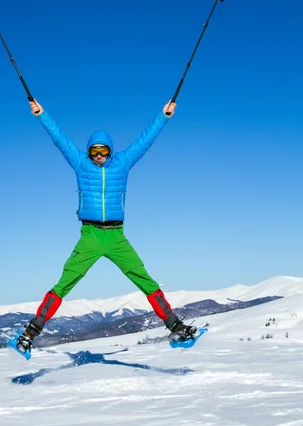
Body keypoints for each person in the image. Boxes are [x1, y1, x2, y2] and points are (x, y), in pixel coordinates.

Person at [15, 98, 198, 354]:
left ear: (110, 151)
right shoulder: (80, 164)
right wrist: (41, 114)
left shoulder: (122, 163)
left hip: (116, 237)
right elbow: (59, 139)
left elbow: (145, 141)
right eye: (94, 152)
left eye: (102, 152)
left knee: (145, 280)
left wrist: (163, 116)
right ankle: (29, 335)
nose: (98, 157)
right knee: (65, 283)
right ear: (88, 152)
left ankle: (177, 328)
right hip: (89, 236)